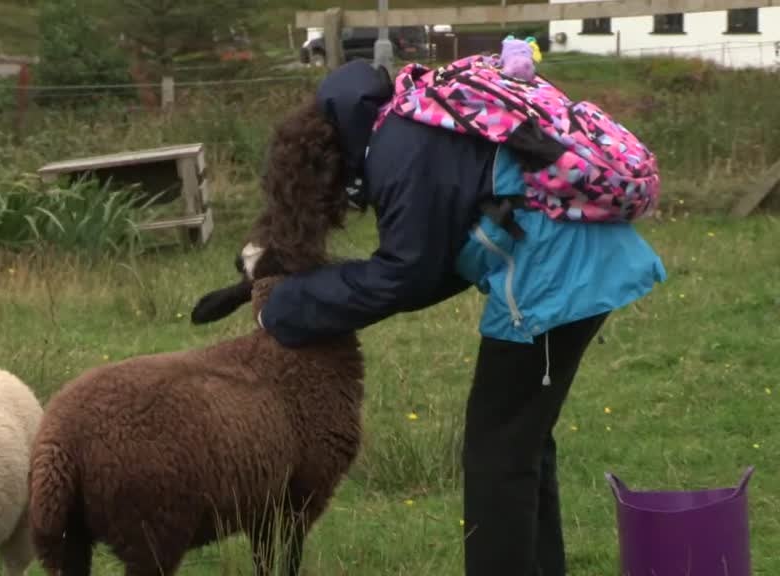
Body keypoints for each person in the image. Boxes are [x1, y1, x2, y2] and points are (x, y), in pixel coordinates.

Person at [254, 58, 667, 576]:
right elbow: (436, 263)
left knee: (496, 454)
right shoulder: (420, 119)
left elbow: (404, 275)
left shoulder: (399, 151)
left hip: (554, 279)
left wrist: (286, 308)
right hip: (581, 264)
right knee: (521, 441)